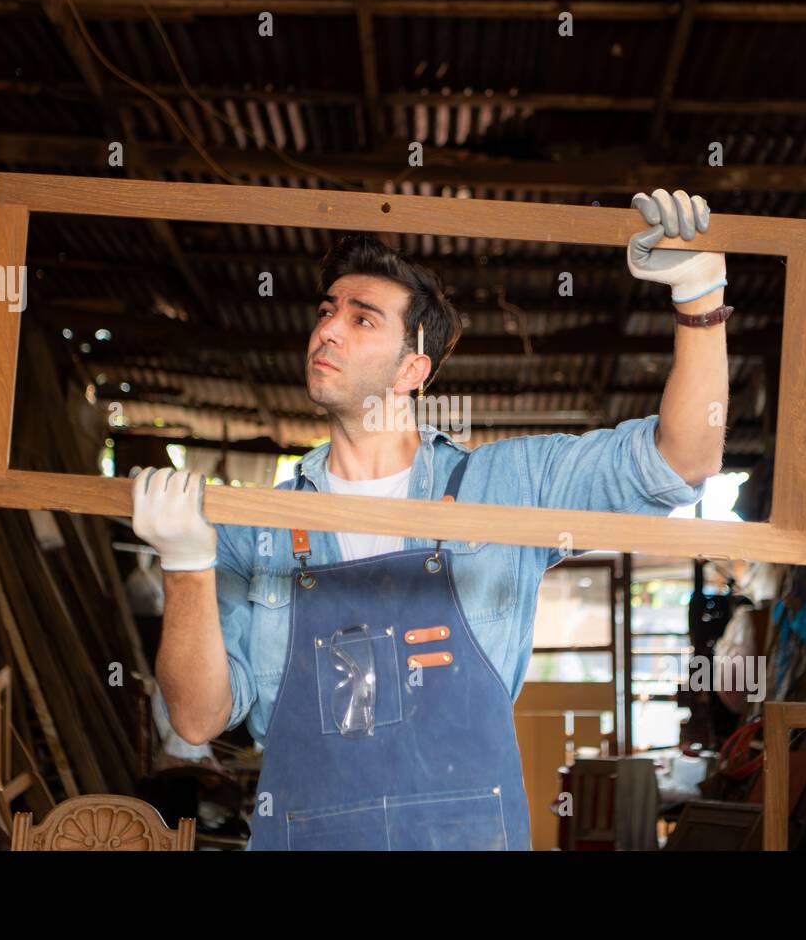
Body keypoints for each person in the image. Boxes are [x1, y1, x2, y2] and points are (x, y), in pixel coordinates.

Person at [133, 187, 729, 850]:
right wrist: (185, 567)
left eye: (362, 320)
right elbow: (195, 719)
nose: (326, 329)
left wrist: (699, 299)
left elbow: (682, 462)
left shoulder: (505, 490)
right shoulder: (261, 522)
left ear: (412, 368)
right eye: (327, 311)